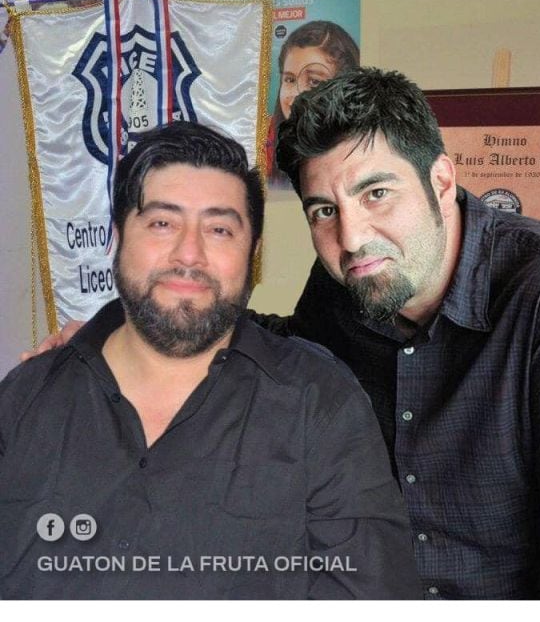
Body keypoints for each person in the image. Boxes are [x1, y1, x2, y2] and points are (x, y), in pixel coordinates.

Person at [24, 70, 540, 600]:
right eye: (324, 210)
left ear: (442, 181)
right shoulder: (350, 279)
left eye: (377, 193)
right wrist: (124, 331)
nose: (352, 237)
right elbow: (285, 344)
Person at [0, 120, 421, 600]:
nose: (189, 254)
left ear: (253, 254)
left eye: (219, 229)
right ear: (117, 239)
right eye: (162, 223)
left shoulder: (319, 404)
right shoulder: (25, 398)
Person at [265, 20, 359, 188]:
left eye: (314, 81)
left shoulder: (360, 148)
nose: (296, 94)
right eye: (290, 79)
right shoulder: (261, 141)